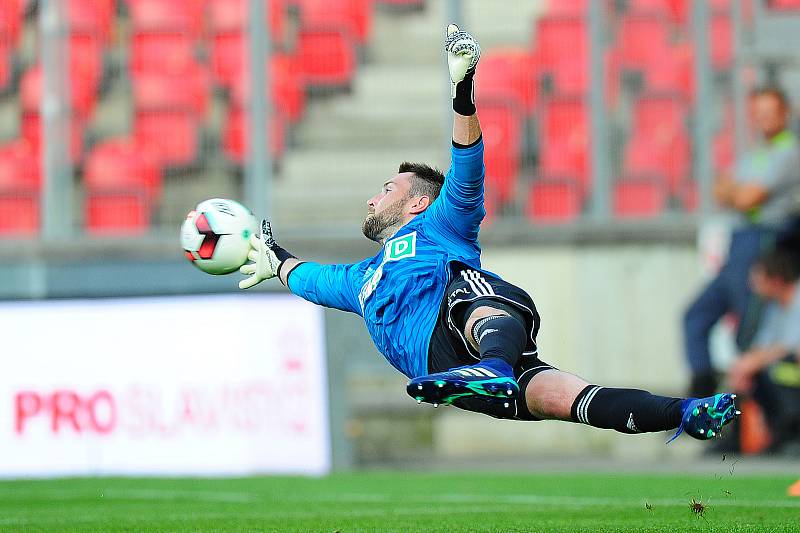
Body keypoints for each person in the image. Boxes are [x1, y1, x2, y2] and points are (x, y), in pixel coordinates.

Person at [238, 25, 738, 442]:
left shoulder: (442, 224)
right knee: (565, 399)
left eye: (386, 188)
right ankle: (678, 412)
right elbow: (313, 280)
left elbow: (468, 167)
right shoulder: (361, 279)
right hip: (446, 368)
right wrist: (275, 259)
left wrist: (462, 92)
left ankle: (680, 411)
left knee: (482, 305)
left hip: (476, 335)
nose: (374, 198)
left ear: (418, 202)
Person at [684, 87, 800, 398]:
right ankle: (703, 398)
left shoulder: (789, 152)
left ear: (784, 114)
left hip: (762, 242)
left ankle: (753, 419)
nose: (762, 120)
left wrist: (739, 194)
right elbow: (721, 189)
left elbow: (745, 195)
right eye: (757, 113)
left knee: (747, 335)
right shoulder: (756, 154)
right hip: (738, 245)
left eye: (769, 113)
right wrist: (740, 195)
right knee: (695, 316)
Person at [729, 247, 800, 452]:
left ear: (776, 281)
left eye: (759, 281)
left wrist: (754, 362)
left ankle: (792, 432)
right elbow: (763, 344)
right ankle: (750, 438)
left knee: (776, 369)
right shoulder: (775, 307)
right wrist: (743, 367)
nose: (754, 287)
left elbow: (789, 346)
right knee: (754, 374)